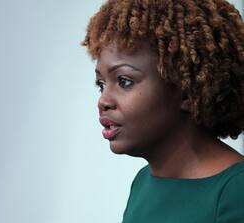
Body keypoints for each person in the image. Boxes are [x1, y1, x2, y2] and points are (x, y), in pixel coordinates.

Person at [81, 0, 244, 222]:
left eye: (124, 81)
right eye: (101, 84)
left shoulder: (235, 191)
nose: (103, 100)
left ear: (187, 91)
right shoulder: (142, 183)